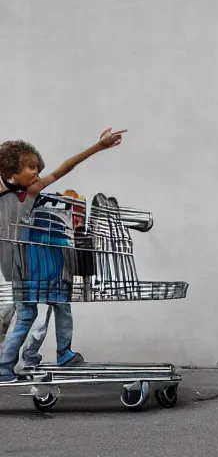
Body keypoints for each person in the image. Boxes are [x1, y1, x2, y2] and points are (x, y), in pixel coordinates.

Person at [0, 128, 126, 382]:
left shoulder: (23, 192)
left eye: (37, 167)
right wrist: (98, 147)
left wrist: (98, 146)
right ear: (11, 174)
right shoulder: (26, 194)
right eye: (29, 168)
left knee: (47, 308)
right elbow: (61, 169)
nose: (36, 173)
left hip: (26, 265)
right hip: (31, 265)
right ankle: (14, 363)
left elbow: (62, 168)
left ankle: (23, 362)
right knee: (38, 311)